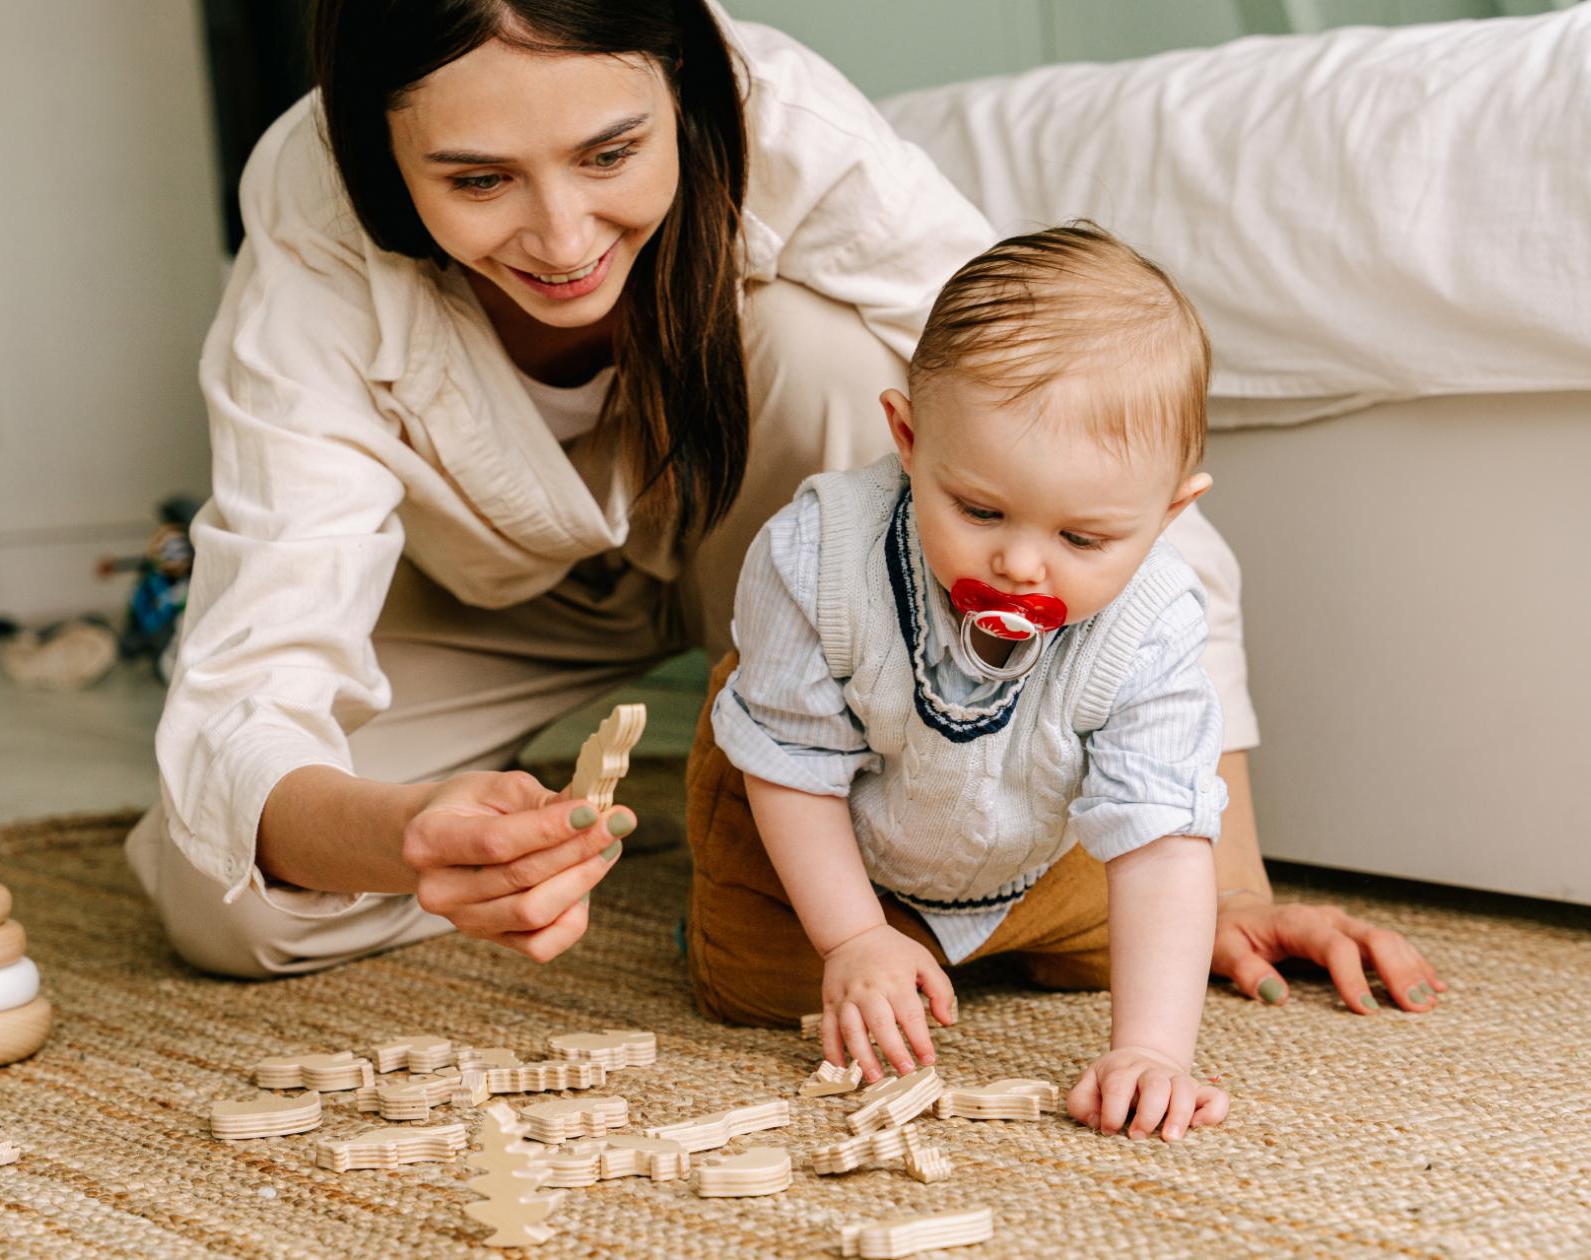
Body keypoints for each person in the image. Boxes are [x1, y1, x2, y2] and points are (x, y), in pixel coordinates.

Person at [125, 1, 1447, 1039]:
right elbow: (248, 695)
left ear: (683, 91)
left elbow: (1092, 461)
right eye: (478, 181)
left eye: (610, 153)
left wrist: (1231, 887)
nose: (562, 236)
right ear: (377, 155)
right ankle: (730, 815)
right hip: (479, 600)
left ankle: (842, 820)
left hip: (780, 556)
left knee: (833, 352)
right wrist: (408, 838)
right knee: (235, 910)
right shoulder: (312, 228)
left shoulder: (787, 124)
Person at [685, 225, 1438, 1141]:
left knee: (1153, 934)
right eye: (979, 509)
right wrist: (852, 938)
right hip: (819, 814)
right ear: (909, 438)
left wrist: (1154, 1050)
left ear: (1168, 515)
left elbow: (1158, 834)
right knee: (761, 986)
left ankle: (993, 941)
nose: (1018, 565)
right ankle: (850, 928)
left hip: (1030, 837)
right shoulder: (817, 556)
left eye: (1082, 540)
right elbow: (795, 762)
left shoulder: (1156, 617)